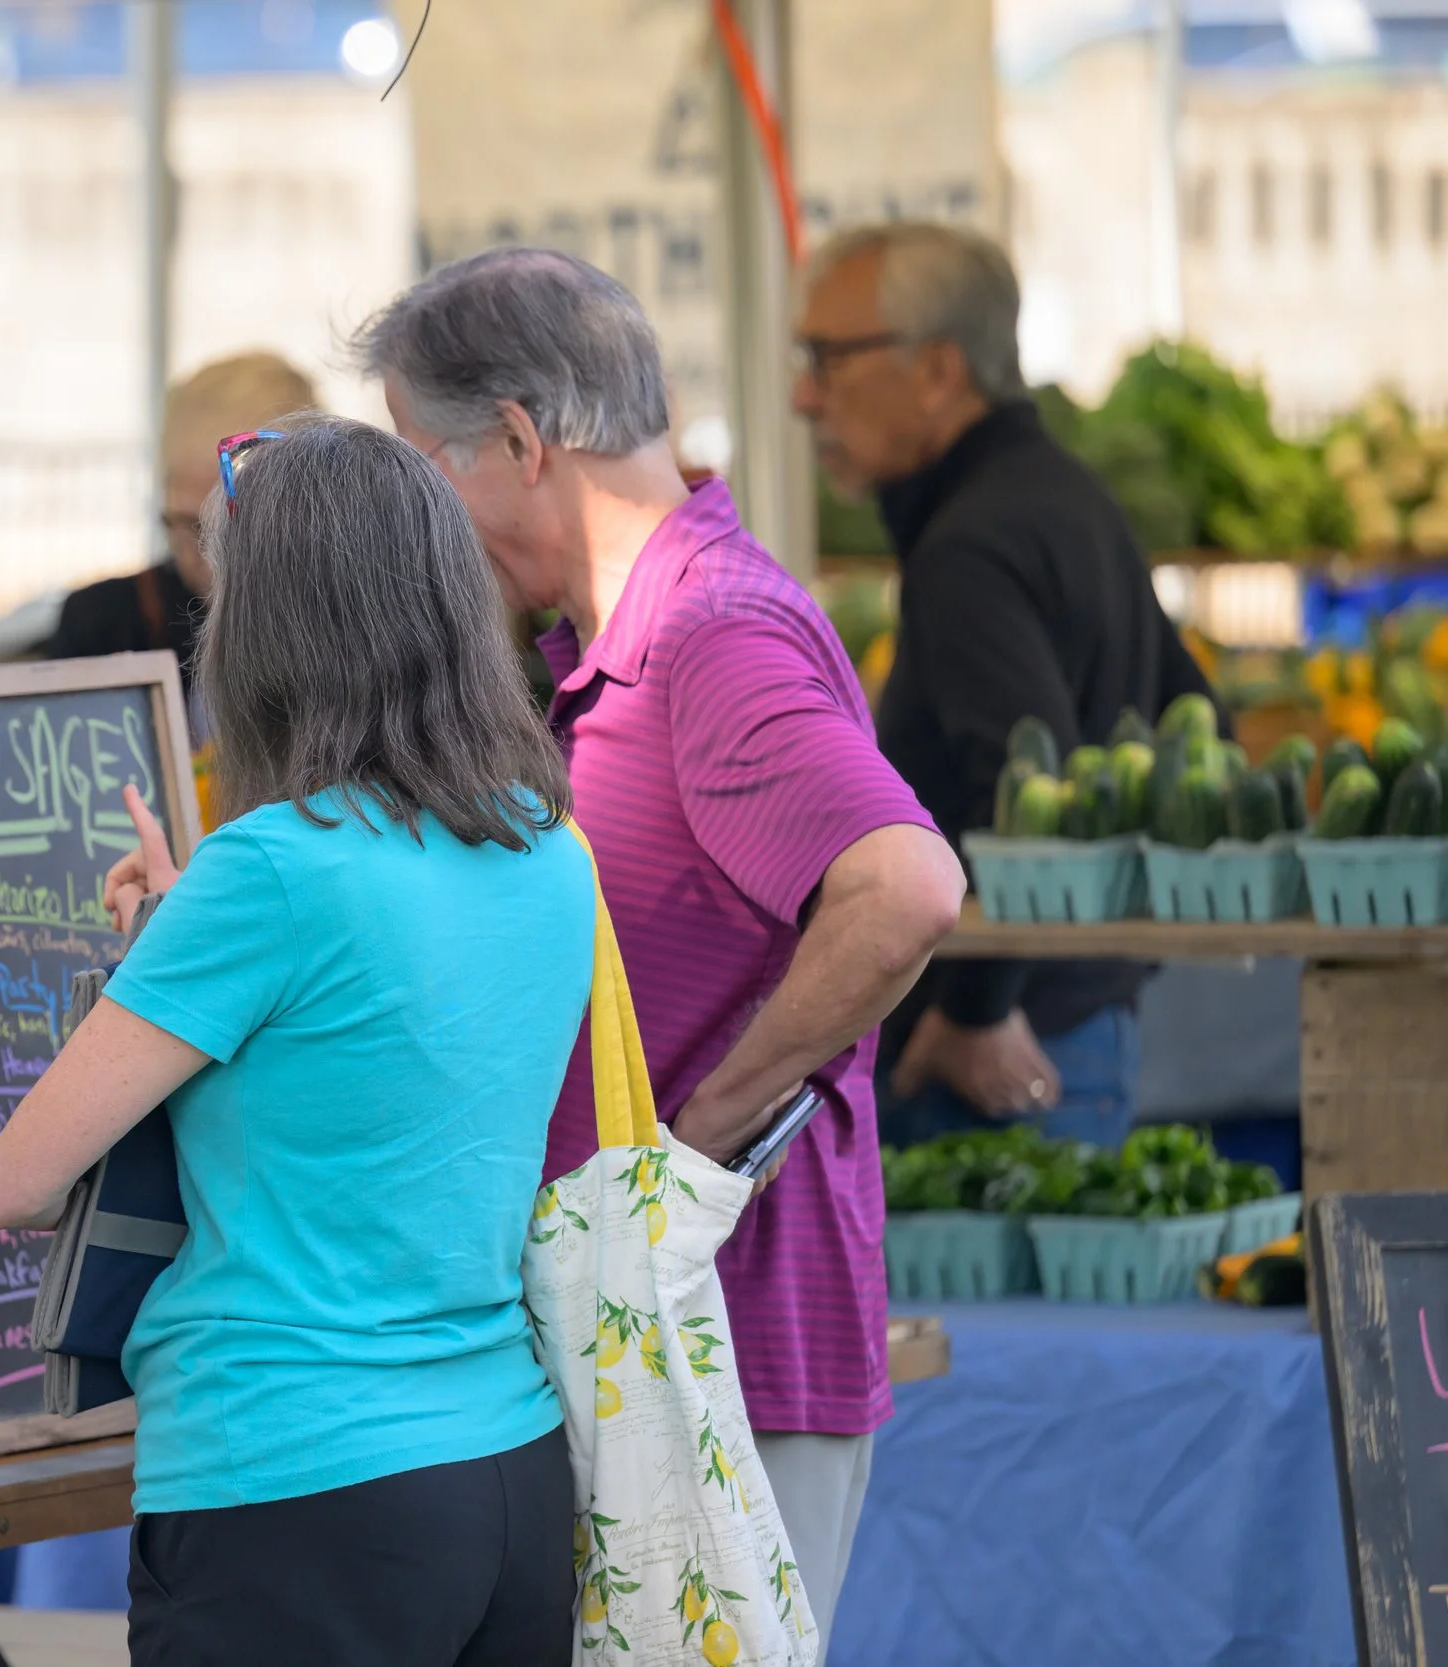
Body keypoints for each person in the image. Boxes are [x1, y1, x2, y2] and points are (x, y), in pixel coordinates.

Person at [354, 247, 968, 1641]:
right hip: (662, 1347)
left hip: (729, 1343)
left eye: (420, 464)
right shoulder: (625, 636)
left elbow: (906, 888)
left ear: (517, 439)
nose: (422, 523)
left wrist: (696, 1140)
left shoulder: (711, 637)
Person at [0, 419, 589, 1667]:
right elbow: (363, 1034)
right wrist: (185, 929)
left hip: (296, 1480)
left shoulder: (266, 871)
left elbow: (12, 1182)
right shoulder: (549, 845)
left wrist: (168, 937)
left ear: (260, 629)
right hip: (511, 1470)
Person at [792, 223, 1222, 1149]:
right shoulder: (1065, 493)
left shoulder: (971, 547)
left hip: (1008, 1052)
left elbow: (1030, 794)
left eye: (827, 358)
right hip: (1078, 1023)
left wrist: (977, 1007)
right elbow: (1198, 721)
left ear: (939, 371)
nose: (802, 395)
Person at [37, 350, 316, 731]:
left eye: (228, 525)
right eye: (185, 525)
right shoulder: (103, 624)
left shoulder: (339, 624)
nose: (204, 554)